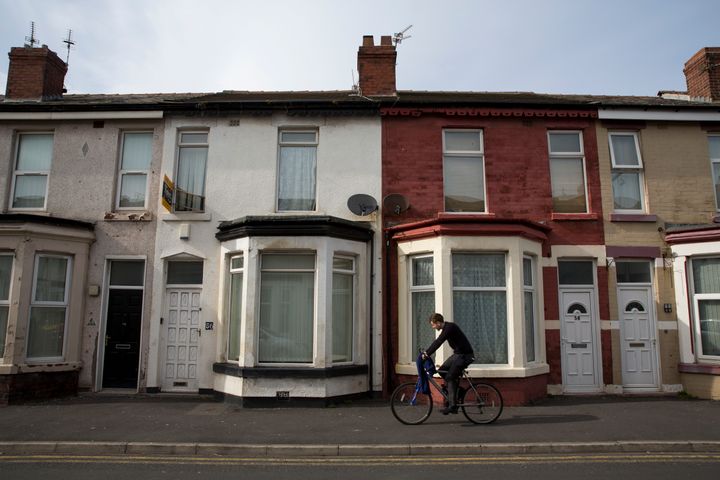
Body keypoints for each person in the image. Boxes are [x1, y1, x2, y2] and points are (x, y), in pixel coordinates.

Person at [422, 312, 475, 415]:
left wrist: (427, 353)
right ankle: (457, 392)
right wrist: (426, 353)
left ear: (438, 323)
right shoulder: (446, 328)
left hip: (465, 355)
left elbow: (438, 341)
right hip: (458, 354)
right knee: (442, 370)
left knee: (450, 377)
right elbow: (438, 341)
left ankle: (453, 406)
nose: (433, 327)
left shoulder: (450, 327)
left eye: (433, 324)